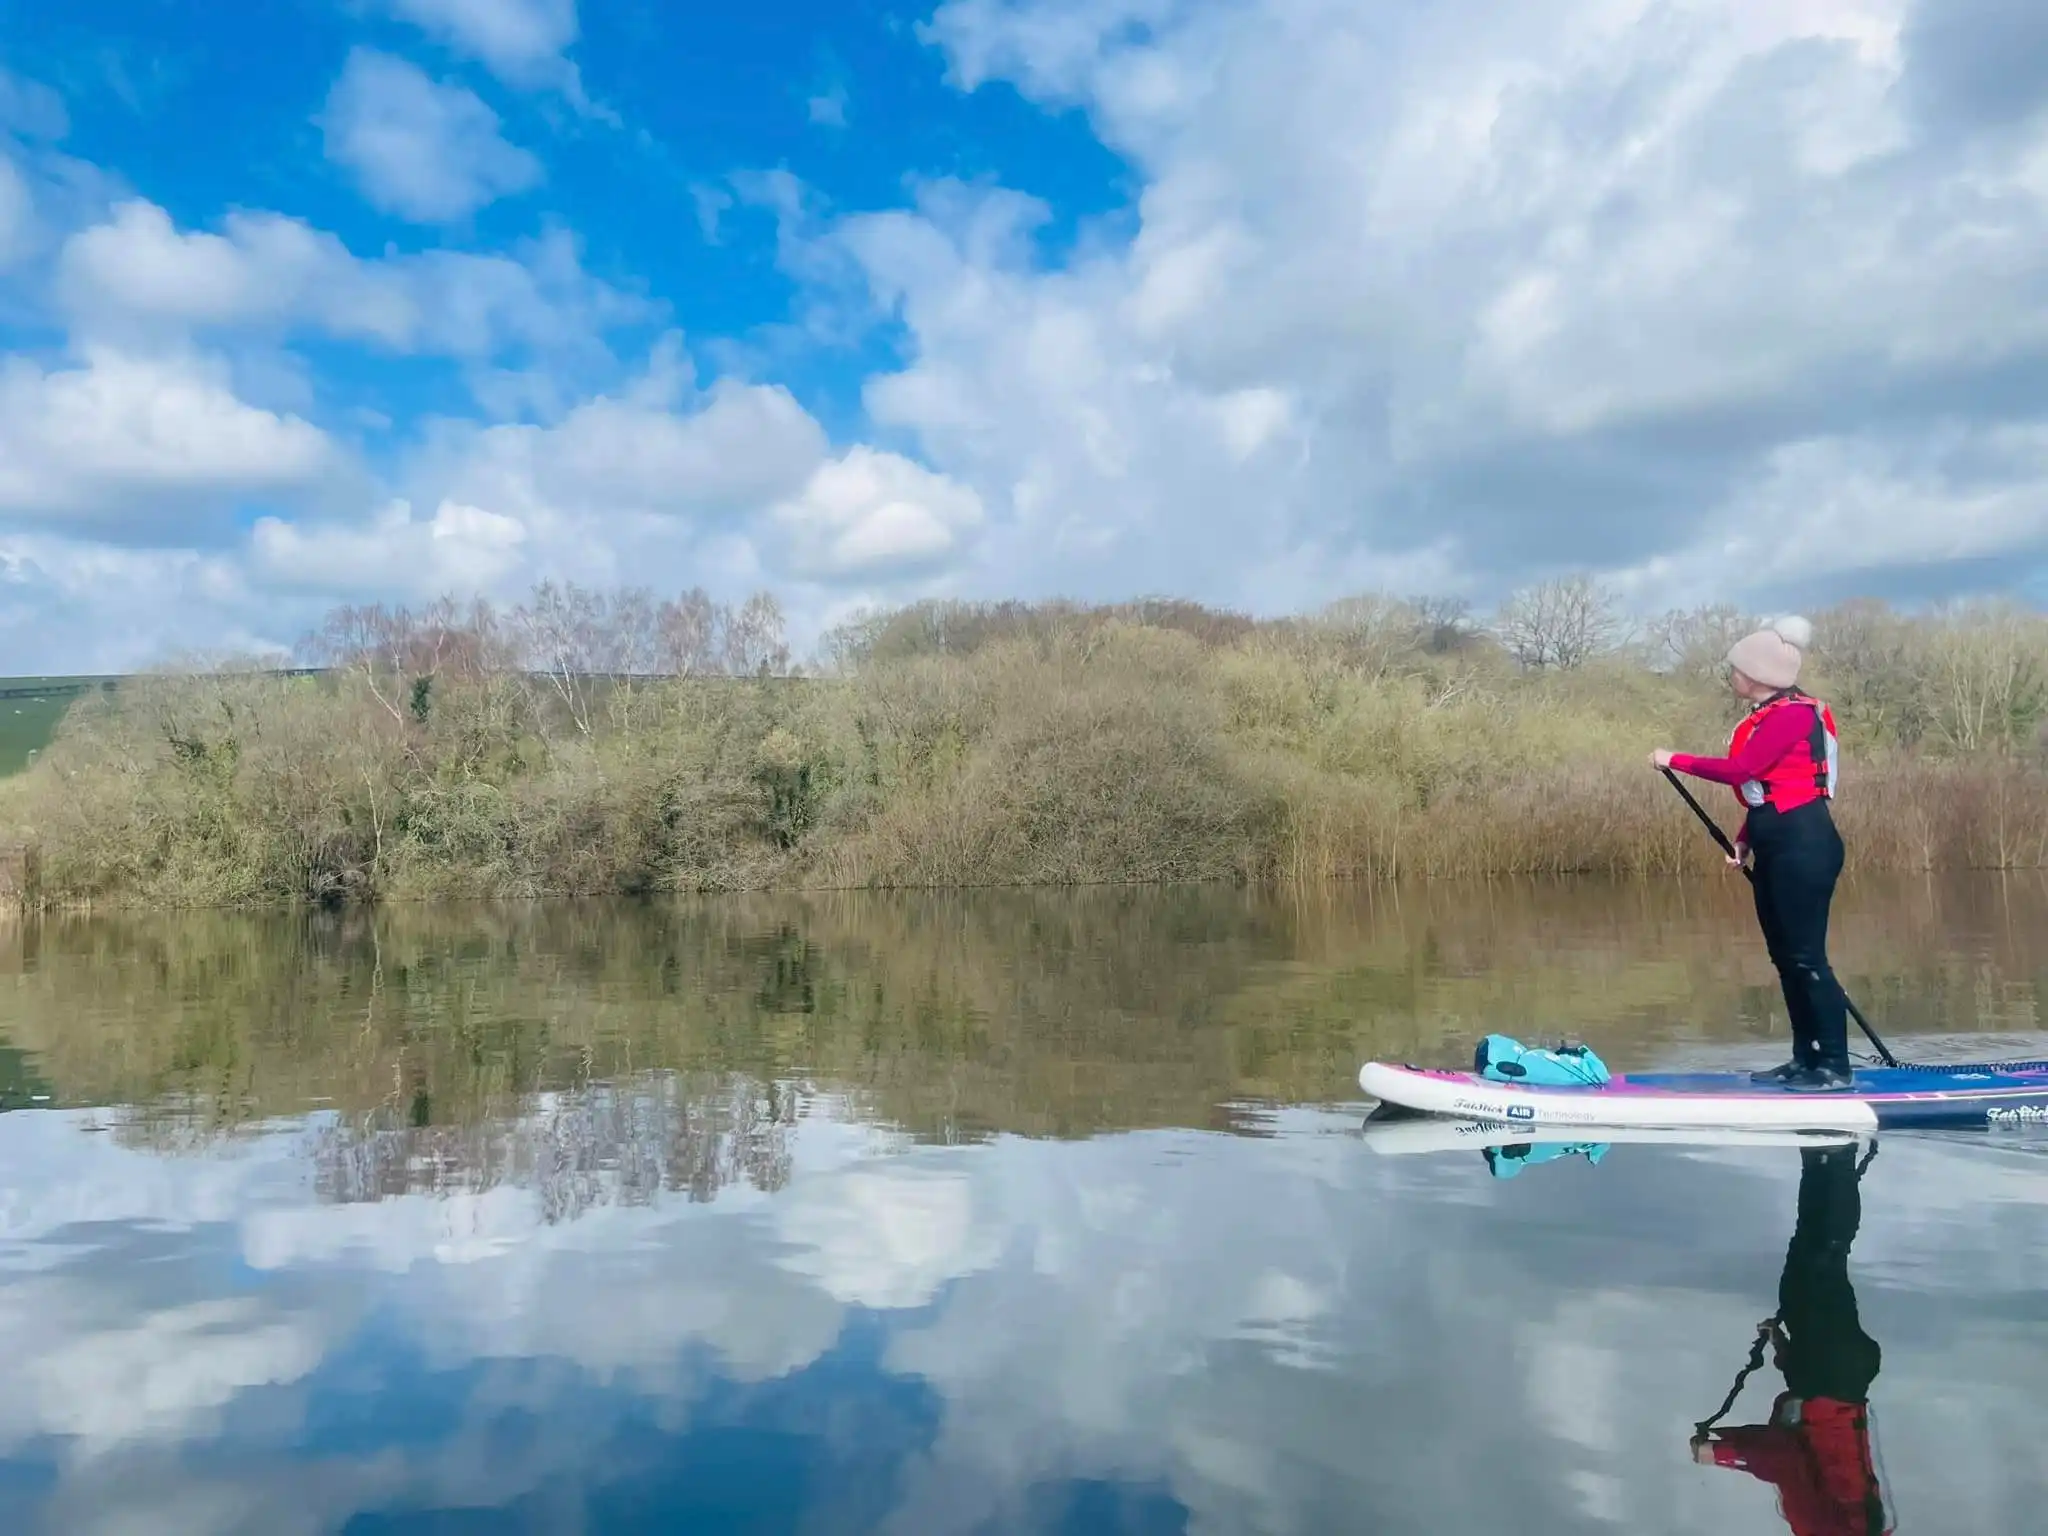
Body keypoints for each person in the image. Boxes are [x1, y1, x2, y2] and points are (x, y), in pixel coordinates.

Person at [1650, 616, 1853, 1091]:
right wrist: (1744, 837)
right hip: (1775, 840)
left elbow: (1743, 768)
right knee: (1785, 959)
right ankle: (1806, 1060)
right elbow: (1769, 788)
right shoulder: (1773, 713)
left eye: (1737, 669)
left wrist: (1673, 759)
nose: (1732, 675)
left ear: (1760, 674)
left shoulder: (1793, 715)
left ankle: (1836, 1069)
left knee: (1806, 959)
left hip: (1805, 844)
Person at [1691, 1143, 1891, 1536]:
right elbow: (1786, 1461)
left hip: (1839, 1377)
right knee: (1822, 1256)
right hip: (1828, 1374)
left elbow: (1813, 1443)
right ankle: (1835, 1155)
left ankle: (1823, 1156)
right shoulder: (1825, 1531)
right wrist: (1719, 1453)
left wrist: (1783, 1349)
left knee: (1815, 1257)